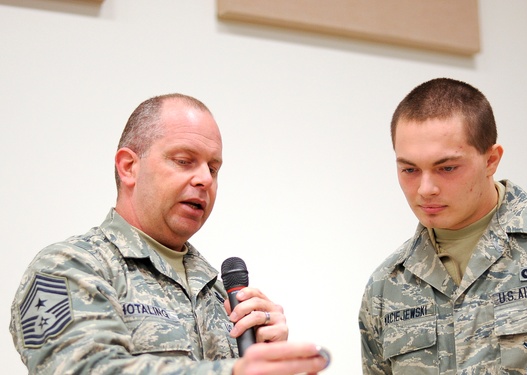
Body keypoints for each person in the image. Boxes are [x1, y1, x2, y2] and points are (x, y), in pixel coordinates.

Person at [10, 93, 329, 375]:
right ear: (128, 167)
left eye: (213, 168)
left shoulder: (220, 295)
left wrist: (271, 358)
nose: (205, 178)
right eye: (183, 161)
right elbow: (83, 369)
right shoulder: (69, 266)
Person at [359, 78, 527, 374]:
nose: (426, 189)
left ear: (491, 160)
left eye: (446, 168)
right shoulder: (386, 287)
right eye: (409, 169)